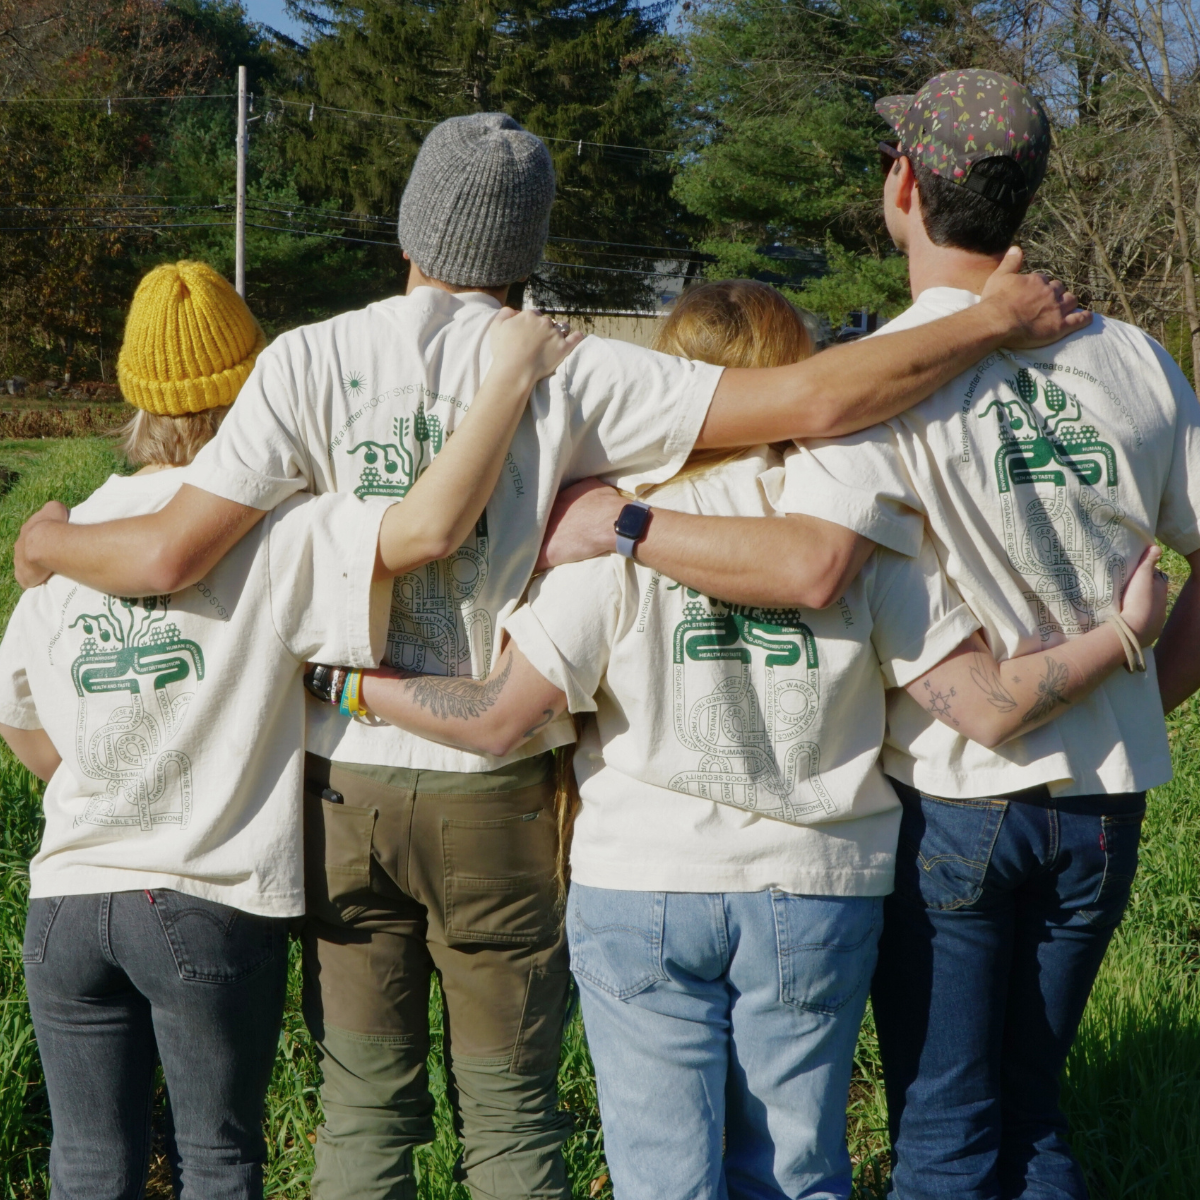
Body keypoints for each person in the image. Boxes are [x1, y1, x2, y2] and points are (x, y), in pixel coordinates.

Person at [10, 113, 1088, 1200]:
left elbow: (172, 550)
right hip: (499, 788)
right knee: (514, 1113)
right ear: (527, 253)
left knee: (362, 1107)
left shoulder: (306, 361)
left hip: (346, 785)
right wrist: (984, 323)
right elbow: (815, 395)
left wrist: (46, 541)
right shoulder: (577, 373)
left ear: (410, 232)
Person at [310, 280, 1167, 1200]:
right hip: (816, 886)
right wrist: (1122, 636)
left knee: (663, 1181)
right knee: (795, 1175)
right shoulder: (857, 532)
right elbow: (982, 705)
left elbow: (495, 717)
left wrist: (345, 681)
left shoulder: (606, 528)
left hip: (643, 884)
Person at [535, 71, 1200, 1200]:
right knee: (1035, 1117)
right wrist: (1145, 687)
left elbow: (813, 563)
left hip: (956, 801)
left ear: (903, 186)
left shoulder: (878, 379)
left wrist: (624, 520)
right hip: (1106, 801)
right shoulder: (1131, 355)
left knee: (943, 1129)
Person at [0, 260, 578, 1200]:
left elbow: (24, 730)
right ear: (258, 382)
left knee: (89, 1165)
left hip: (65, 903)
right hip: (206, 898)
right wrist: (511, 379)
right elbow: (427, 526)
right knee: (217, 1162)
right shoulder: (282, 534)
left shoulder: (74, 537)